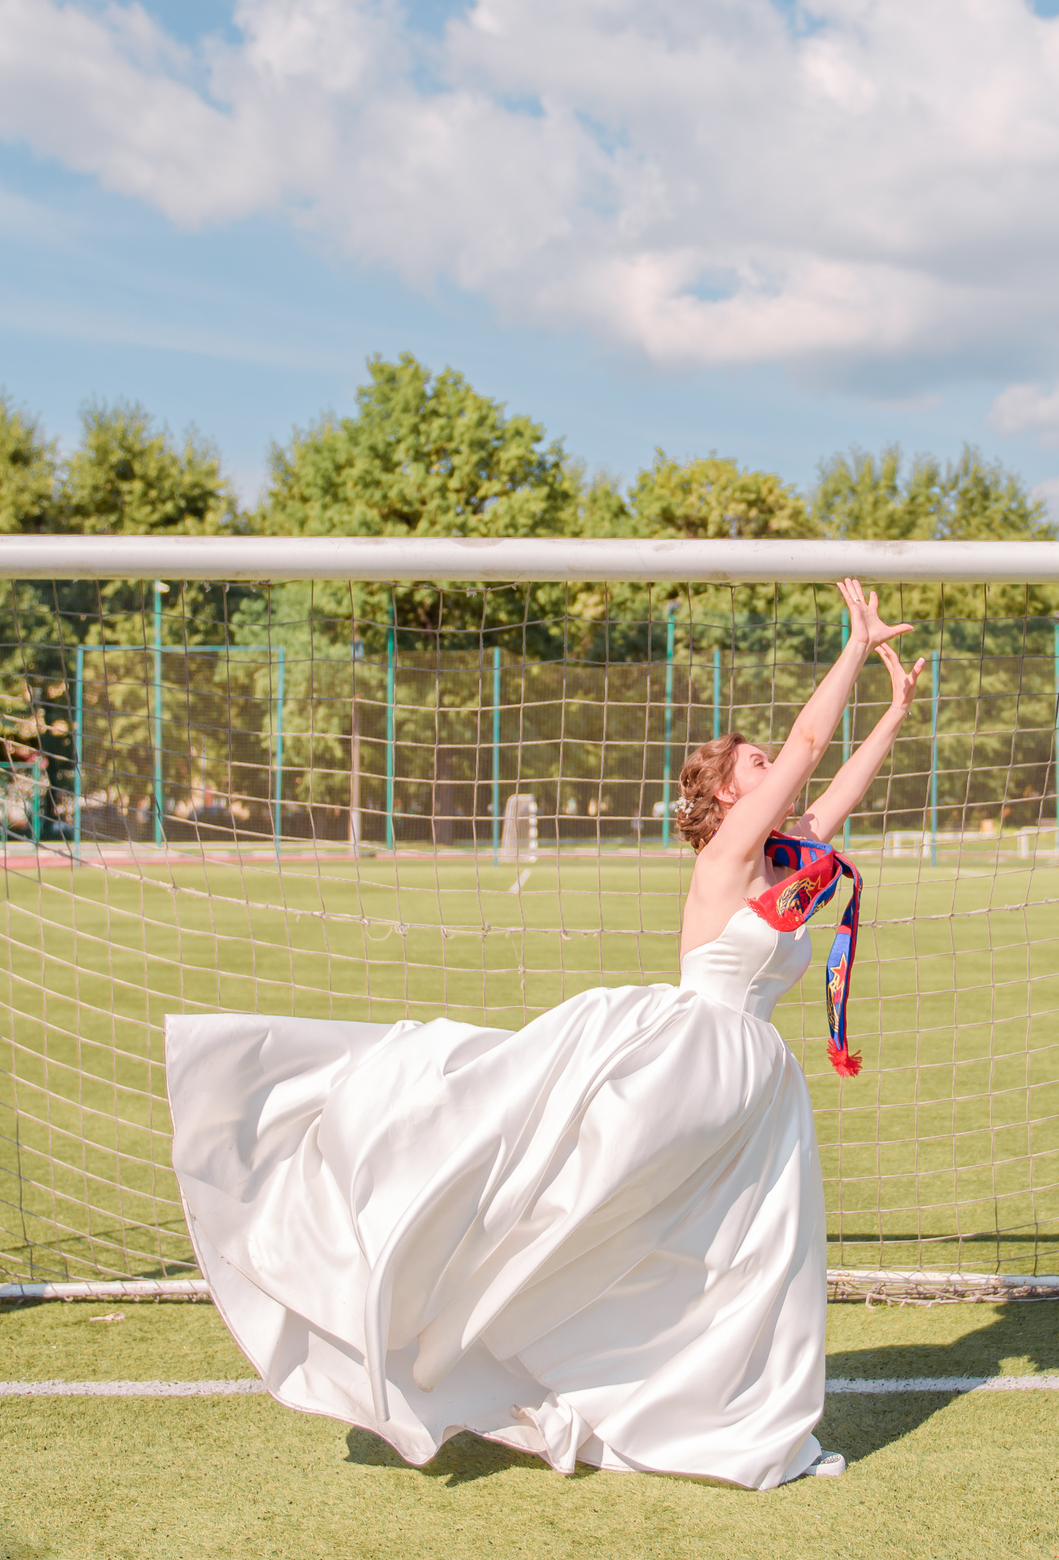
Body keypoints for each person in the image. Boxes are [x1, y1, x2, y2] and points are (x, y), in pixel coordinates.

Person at [166, 579, 925, 1490]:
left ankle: (736, 1420)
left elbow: (835, 785)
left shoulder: (787, 865)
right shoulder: (727, 858)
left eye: (768, 761)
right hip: (686, 1058)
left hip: (759, 1087)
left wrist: (896, 707)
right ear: (726, 795)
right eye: (754, 763)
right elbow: (810, 744)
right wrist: (851, 644)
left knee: (754, 1257)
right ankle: (464, 1321)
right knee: (577, 1206)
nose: (775, 767)